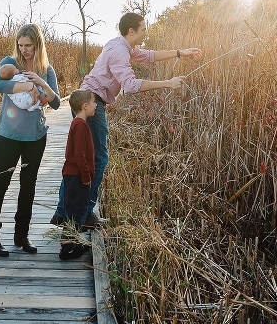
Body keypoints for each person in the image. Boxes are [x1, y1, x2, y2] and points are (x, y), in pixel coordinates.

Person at [51, 12, 203, 227]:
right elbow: (131, 85)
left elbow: (148, 56)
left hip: (89, 99)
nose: (145, 34)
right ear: (131, 31)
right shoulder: (119, 51)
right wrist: (168, 83)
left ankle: (62, 212)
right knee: (98, 159)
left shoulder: (122, 46)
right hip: (90, 103)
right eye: (143, 30)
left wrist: (180, 53)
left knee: (80, 158)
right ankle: (83, 214)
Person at [0, 23, 61, 257]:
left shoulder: (46, 69)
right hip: (8, 136)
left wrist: (41, 82)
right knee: (1, 184)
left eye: (28, 45)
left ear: (37, 45)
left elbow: (56, 102)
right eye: (21, 45)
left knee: (28, 186)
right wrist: (29, 84)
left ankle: (21, 236)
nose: (24, 50)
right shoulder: (9, 62)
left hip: (36, 137)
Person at [59, 89, 97, 260]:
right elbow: (80, 154)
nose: (96, 105)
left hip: (73, 175)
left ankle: (73, 242)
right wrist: (86, 175)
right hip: (77, 176)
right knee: (75, 210)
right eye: (94, 102)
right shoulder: (81, 125)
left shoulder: (77, 123)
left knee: (75, 209)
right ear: (85, 105)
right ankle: (67, 249)